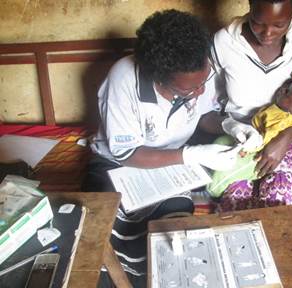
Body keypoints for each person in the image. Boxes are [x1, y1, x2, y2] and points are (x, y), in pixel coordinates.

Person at [81, 10, 239, 287]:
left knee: (173, 233)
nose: (201, 92)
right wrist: (191, 155)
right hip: (117, 165)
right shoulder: (124, 78)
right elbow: (126, 153)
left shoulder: (198, 69)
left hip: (173, 165)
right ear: (158, 78)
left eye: (203, 82)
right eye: (188, 91)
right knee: (102, 235)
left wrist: (231, 125)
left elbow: (204, 115)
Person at [211, 0, 292, 253]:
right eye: (258, 22)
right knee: (237, 199)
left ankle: (291, 266)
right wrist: (236, 130)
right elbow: (209, 106)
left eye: (279, 25)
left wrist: (285, 139)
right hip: (237, 137)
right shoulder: (223, 42)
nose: (267, 34)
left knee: (284, 196)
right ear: (250, 6)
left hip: (286, 140)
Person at [207, 77, 292, 198]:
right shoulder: (278, 109)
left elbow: (269, 139)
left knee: (232, 169)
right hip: (247, 137)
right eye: (287, 87)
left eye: (287, 93)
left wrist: (248, 149)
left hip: (260, 153)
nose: (282, 89)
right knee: (221, 142)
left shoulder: (283, 120)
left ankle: (212, 190)